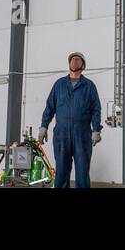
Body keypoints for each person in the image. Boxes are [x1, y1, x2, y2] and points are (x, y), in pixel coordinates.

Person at [37, 52, 102, 188]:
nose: (74, 61)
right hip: (62, 134)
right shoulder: (59, 85)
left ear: (83, 65)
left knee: (82, 173)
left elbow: (96, 109)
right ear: (69, 64)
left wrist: (96, 130)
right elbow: (50, 107)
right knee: (61, 172)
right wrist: (44, 126)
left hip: (82, 135)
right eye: (72, 59)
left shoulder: (89, 86)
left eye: (78, 59)